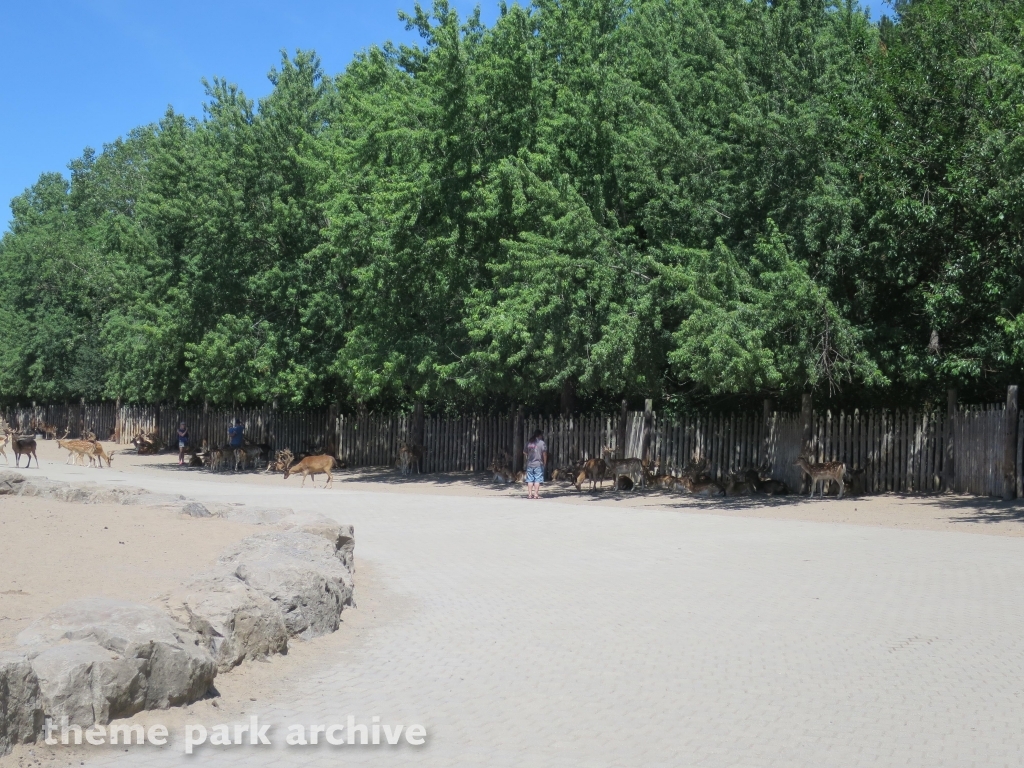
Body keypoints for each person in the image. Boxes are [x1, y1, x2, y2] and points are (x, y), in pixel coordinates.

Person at [524, 429, 548, 500]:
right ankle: (536, 495)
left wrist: (529, 456)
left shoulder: (529, 443)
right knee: (537, 479)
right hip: (538, 464)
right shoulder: (542, 443)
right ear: (540, 435)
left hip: (530, 464)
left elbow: (525, 452)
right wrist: (545, 463)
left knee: (530, 480)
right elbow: (544, 454)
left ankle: (529, 494)